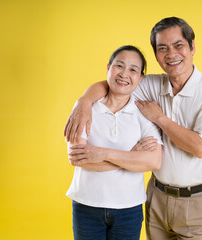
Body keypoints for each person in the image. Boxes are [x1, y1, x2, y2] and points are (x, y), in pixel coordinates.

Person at [65, 17, 202, 240]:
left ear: (192, 47)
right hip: (157, 196)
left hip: (197, 199)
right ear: (156, 54)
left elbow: (201, 148)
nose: (171, 54)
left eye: (178, 45)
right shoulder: (151, 84)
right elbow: (116, 82)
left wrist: (159, 118)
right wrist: (84, 101)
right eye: (162, 48)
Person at [66, 45, 163, 240]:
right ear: (108, 68)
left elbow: (154, 162)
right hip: (87, 205)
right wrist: (132, 158)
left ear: (141, 78)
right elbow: (77, 158)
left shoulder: (143, 113)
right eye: (119, 66)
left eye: (133, 69)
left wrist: (103, 154)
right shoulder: (86, 109)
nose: (124, 74)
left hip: (129, 209)